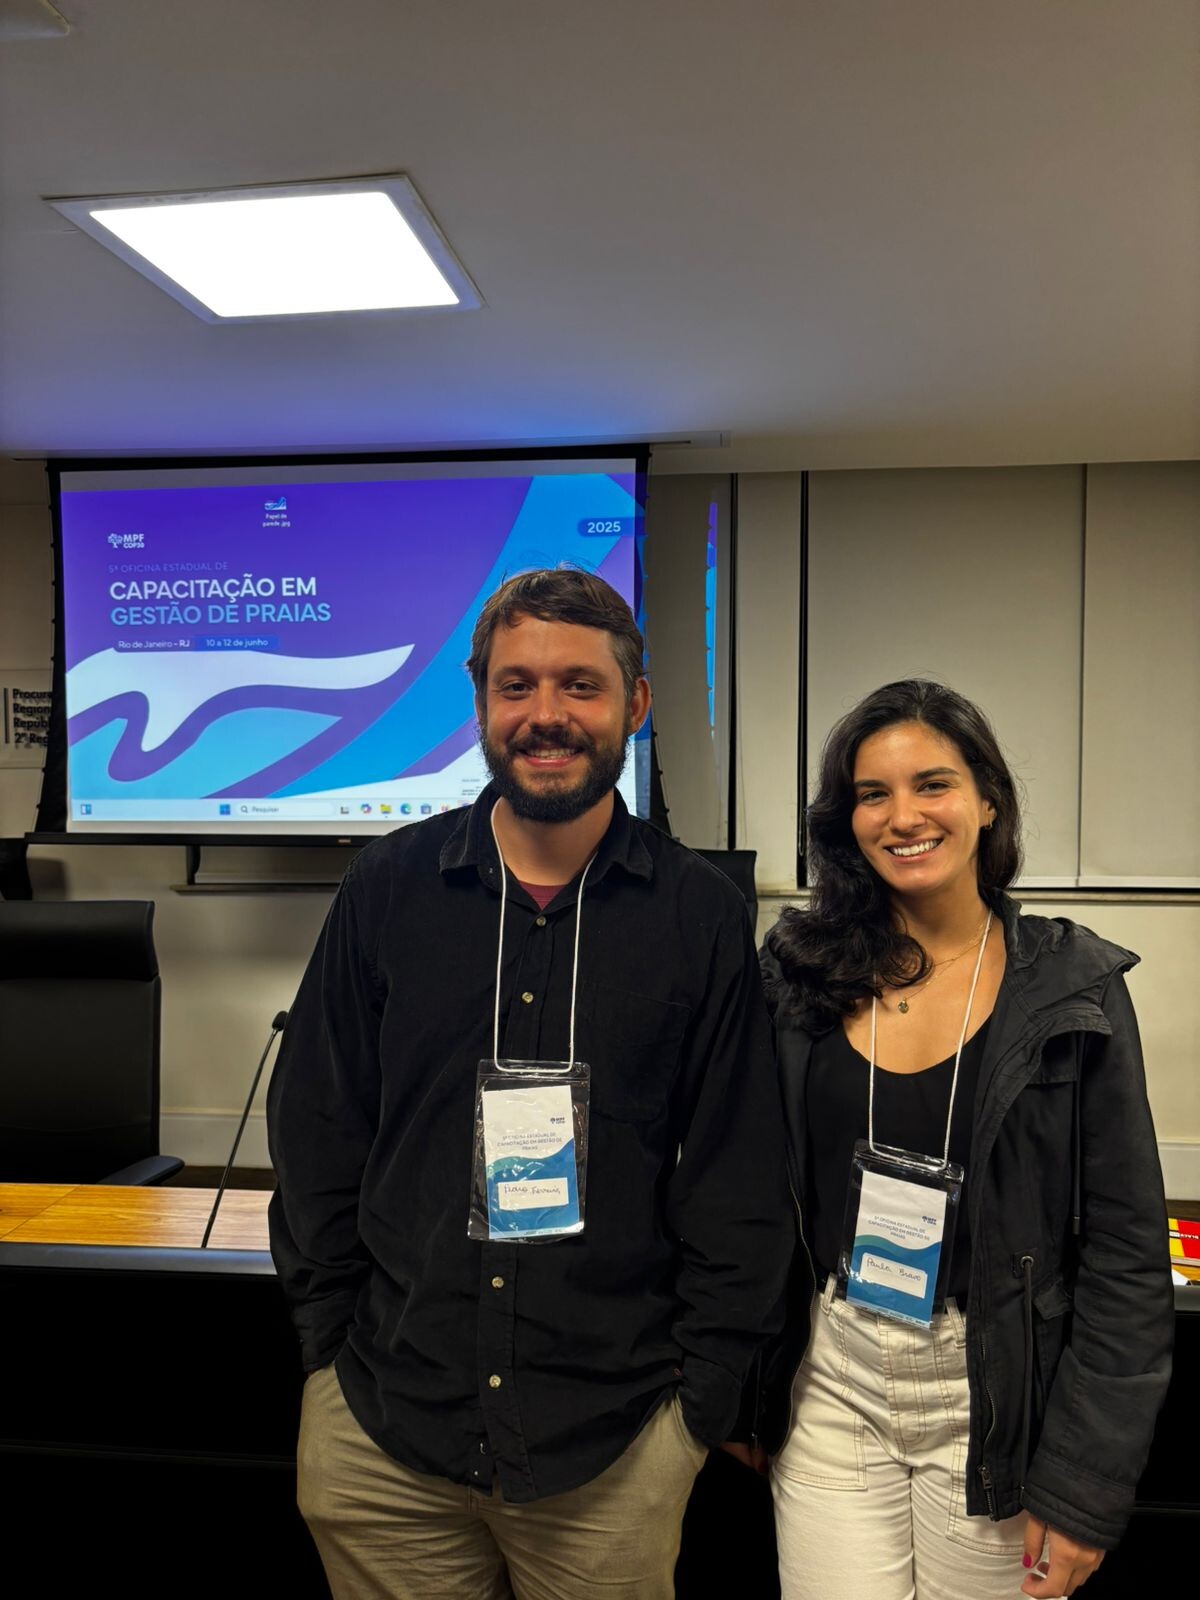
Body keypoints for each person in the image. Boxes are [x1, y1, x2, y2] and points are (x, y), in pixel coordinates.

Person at [268, 567, 792, 1600]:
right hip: (387, 1430)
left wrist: (701, 1404)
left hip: (612, 1446)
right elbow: (318, 1128)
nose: (545, 714)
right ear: (481, 704)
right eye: (516, 685)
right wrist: (328, 1351)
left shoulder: (699, 916)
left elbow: (739, 1179)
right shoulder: (388, 889)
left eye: (579, 685)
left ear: (636, 704)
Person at [751, 679, 1172, 1600]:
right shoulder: (797, 974)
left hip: (993, 1393)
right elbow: (748, 1192)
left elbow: (1127, 1254)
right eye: (873, 794)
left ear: (987, 801)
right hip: (834, 1377)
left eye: (932, 784)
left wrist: (1086, 1485)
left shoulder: (1071, 984)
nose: (903, 816)